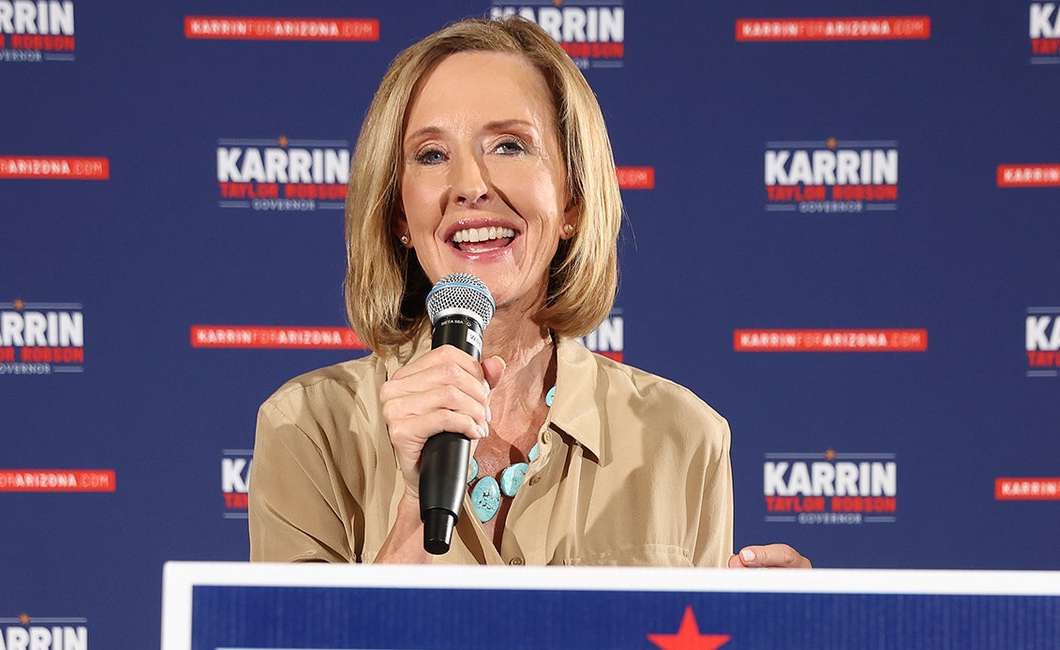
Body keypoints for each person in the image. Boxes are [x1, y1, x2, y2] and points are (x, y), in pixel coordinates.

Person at [249, 15, 810, 569]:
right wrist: (415, 515)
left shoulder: (683, 436)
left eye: (510, 146)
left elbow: (697, 634)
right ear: (399, 213)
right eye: (432, 155)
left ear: (573, 201)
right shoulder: (307, 428)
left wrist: (786, 624)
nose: (469, 186)